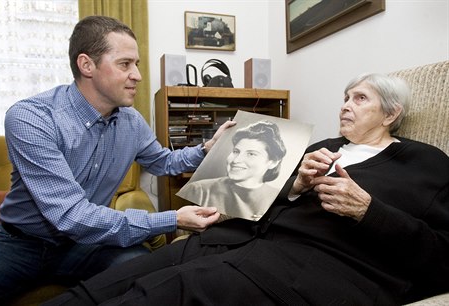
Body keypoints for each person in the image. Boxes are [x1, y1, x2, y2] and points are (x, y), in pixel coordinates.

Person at [44, 73, 449, 306]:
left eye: (360, 98)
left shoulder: (426, 165)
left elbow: (440, 256)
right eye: (345, 97)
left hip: (299, 266)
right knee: (114, 280)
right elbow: (260, 199)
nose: (345, 105)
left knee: (160, 291)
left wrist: (368, 210)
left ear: (391, 113)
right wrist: (295, 185)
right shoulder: (319, 147)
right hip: (234, 237)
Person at [0, 15, 235, 303]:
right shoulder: (32, 117)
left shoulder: (131, 121)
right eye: (125, 64)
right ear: (86, 65)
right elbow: (72, 215)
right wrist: (172, 219)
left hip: (86, 244)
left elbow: (165, 162)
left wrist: (208, 149)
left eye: (137, 65)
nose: (138, 76)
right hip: (21, 243)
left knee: (150, 277)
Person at [178, 120, 287, 220]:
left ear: (273, 162)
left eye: (251, 154)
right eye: (236, 151)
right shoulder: (199, 190)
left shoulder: (278, 196)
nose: (236, 160)